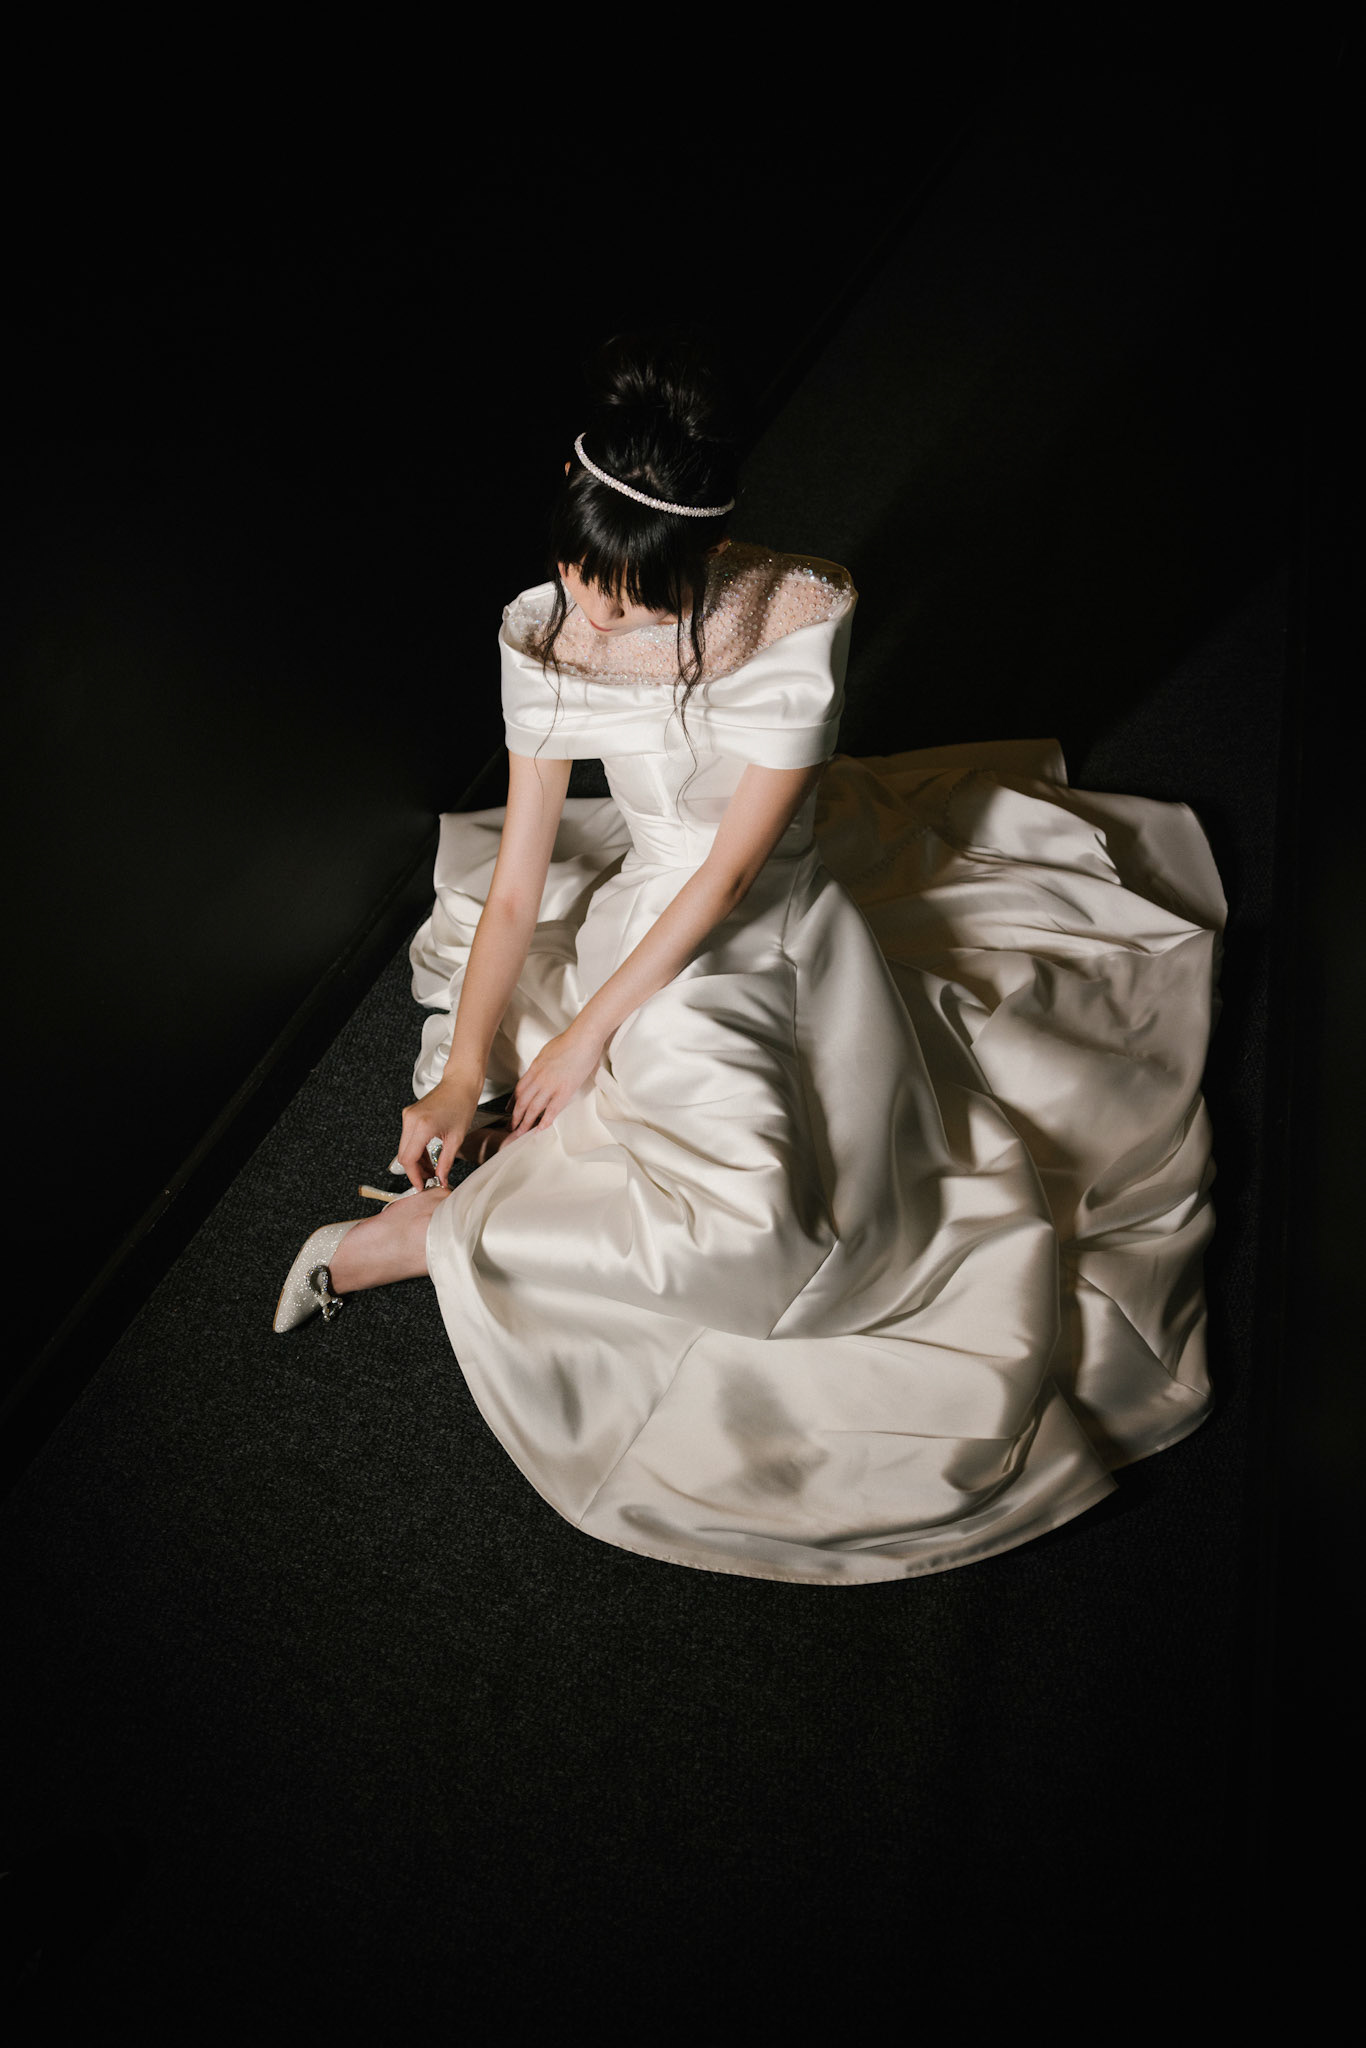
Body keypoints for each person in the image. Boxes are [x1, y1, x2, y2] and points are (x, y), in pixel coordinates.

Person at [274, 332, 1226, 1587]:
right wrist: (461, 1073)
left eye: (629, 602)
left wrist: (586, 1035)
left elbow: (729, 878)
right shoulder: (545, 633)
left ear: (709, 556)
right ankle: (463, 1204)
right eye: (576, 575)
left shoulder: (801, 610)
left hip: (765, 917)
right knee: (731, 1205)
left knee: (782, 1227)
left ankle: (432, 1233)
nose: (594, 615)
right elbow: (515, 886)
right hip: (650, 914)